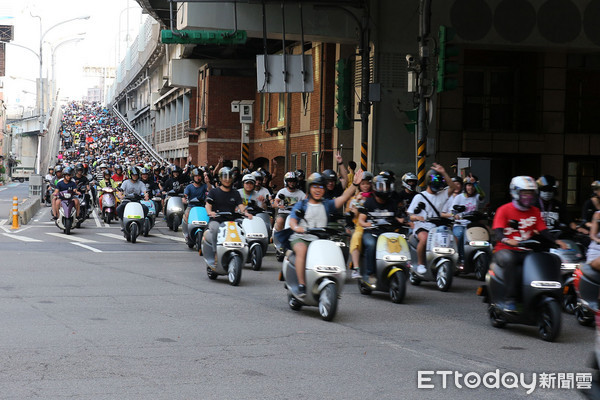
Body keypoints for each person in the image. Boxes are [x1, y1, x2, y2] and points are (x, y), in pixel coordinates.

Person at [492, 176, 567, 312]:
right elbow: (498, 232)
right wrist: (507, 240)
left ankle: (553, 295)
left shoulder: (535, 211)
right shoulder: (504, 210)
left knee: (553, 259)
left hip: (527, 251)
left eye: (531, 193)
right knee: (510, 260)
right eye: (525, 193)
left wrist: (556, 241)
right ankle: (510, 299)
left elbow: (543, 230)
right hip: (505, 250)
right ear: (515, 193)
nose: (528, 196)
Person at [287, 169, 363, 297]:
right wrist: (296, 227)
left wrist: (354, 185)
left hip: (320, 239)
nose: (318, 190)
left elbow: (344, 197)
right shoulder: (302, 204)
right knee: (302, 250)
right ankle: (301, 285)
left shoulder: (327, 204)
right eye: (315, 186)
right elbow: (293, 219)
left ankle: (332, 283)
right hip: (302, 237)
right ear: (309, 188)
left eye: (321, 187)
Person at [407, 163, 458, 275]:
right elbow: (410, 214)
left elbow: (453, 187)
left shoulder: (442, 194)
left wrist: (443, 172)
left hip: (437, 226)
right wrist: (416, 217)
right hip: (423, 226)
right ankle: (421, 264)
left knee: (453, 239)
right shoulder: (419, 197)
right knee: (424, 238)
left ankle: (452, 262)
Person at [204, 167, 252, 267]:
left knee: (244, 226)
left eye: (229, 177)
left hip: (231, 220)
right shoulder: (214, 192)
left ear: (232, 178)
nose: (227, 179)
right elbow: (208, 204)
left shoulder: (235, 193)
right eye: (224, 177)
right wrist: (210, 212)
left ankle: (245, 251)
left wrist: (246, 213)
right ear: (220, 179)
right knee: (216, 229)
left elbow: (241, 206)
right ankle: (215, 252)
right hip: (216, 219)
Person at [448, 175, 486, 267]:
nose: (471, 188)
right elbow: (453, 210)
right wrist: (456, 215)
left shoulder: (477, 197)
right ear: (465, 186)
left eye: (472, 186)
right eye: (469, 185)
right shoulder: (459, 197)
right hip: (460, 224)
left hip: (473, 225)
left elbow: (482, 195)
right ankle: (460, 258)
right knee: (460, 236)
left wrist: (475, 183)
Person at [347, 171, 374, 279]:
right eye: (363, 184)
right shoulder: (355, 199)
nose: (365, 186)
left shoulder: (375, 197)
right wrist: (357, 202)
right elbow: (353, 215)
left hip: (375, 226)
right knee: (356, 237)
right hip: (360, 226)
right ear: (359, 185)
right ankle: (356, 268)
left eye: (367, 183)